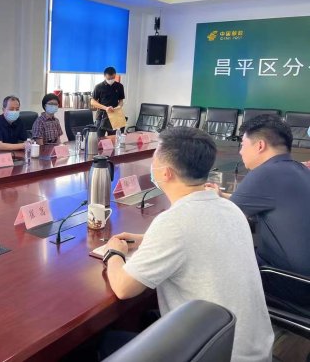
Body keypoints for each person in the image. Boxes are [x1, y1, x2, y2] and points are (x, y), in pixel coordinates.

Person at [101, 127, 273, 361]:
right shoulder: (230, 207)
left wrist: (113, 253)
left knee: (103, 343)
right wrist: (147, 240)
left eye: (154, 160)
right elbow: (201, 237)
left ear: (166, 173)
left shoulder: (174, 222)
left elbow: (123, 288)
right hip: (253, 350)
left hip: (218, 355)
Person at [206, 114, 310, 276]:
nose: (240, 151)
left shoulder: (266, 174)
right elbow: (264, 201)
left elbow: (223, 219)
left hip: (286, 279)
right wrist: (222, 195)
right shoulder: (299, 169)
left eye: (243, 145)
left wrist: (212, 199)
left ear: (260, 145)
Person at [90, 66, 125, 137]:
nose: (111, 80)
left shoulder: (119, 86)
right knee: (99, 138)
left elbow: (121, 100)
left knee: (114, 138)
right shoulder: (99, 87)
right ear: (104, 76)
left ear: (115, 75)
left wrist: (118, 107)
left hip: (114, 115)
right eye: (109, 78)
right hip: (101, 116)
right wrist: (105, 108)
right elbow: (92, 102)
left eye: (113, 78)